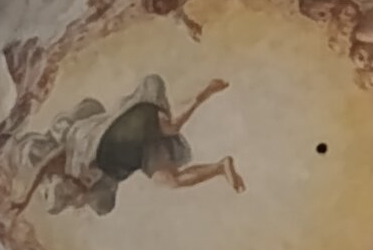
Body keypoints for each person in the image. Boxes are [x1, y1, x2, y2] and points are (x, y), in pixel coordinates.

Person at [13, 75, 245, 218]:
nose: (72, 192)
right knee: (171, 182)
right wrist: (86, 198)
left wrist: (25, 197)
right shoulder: (95, 190)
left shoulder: (71, 156)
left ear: (62, 179)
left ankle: (204, 93)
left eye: (67, 189)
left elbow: (44, 166)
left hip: (127, 128)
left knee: (172, 126)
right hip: (141, 153)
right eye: (69, 198)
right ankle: (219, 167)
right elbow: (105, 206)